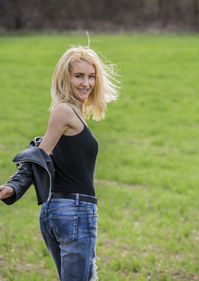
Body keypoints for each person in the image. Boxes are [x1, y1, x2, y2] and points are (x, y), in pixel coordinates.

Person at [0, 45, 118, 281]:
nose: (86, 83)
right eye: (79, 76)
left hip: (62, 211)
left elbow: (42, 151)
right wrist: (16, 185)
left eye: (91, 76)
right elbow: (41, 152)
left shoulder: (72, 112)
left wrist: (16, 186)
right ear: (65, 78)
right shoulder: (64, 110)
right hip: (74, 211)